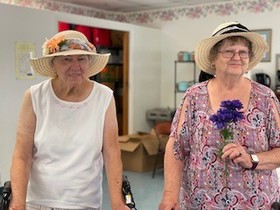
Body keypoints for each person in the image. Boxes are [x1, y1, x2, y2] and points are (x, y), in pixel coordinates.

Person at [159, 21, 280, 209]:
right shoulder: (194, 96)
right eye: (229, 51)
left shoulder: (265, 97)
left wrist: (252, 159)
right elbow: (177, 148)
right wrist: (170, 195)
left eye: (243, 52)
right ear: (213, 59)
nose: (237, 57)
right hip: (200, 202)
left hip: (256, 203)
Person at [10, 30, 130, 210]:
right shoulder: (34, 96)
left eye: (81, 58)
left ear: (88, 62)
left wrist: (118, 202)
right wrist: (18, 203)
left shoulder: (104, 97)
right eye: (66, 59)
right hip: (38, 201)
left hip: (85, 202)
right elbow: (22, 155)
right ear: (53, 63)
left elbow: (112, 153)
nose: (75, 66)